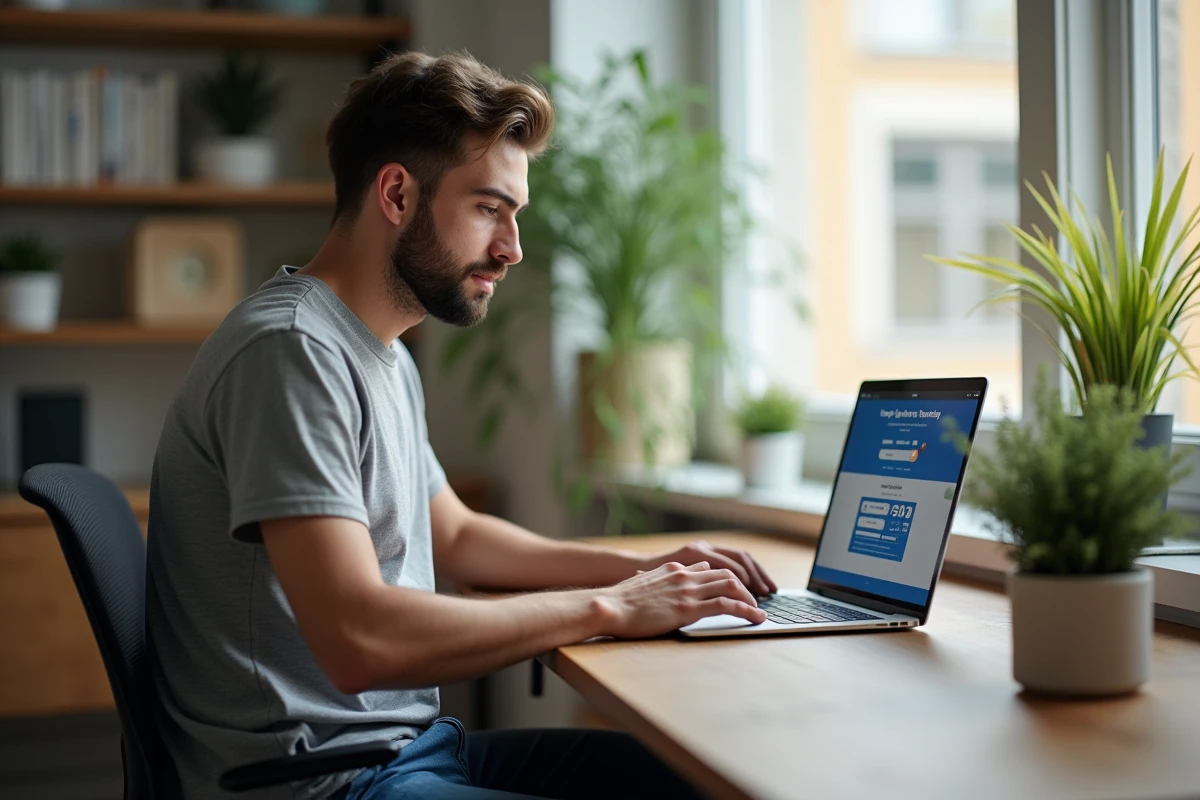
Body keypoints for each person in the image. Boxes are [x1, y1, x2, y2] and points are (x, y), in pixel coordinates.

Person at [146, 50, 775, 800]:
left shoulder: (380, 356)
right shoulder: (291, 352)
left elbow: (459, 539)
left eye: (514, 215)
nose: (510, 250)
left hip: (400, 754)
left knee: (694, 781)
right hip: (318, 782)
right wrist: (611, 608)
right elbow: (358, 640)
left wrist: (650, 570)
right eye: (488, 209)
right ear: (397, 194)